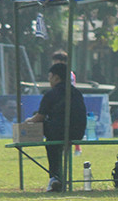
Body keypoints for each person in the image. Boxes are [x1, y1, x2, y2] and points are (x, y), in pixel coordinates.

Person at [26, 62, 87, 193]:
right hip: (78, 133)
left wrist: (28, 121)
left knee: (50, 139)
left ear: (56, 77)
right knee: (54, 129)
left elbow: (39, 117)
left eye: (50, 77)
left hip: (58, 132)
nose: (49, 80)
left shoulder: (51, 94)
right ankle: (57, 177)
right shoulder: (76, 93)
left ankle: (55, 177)